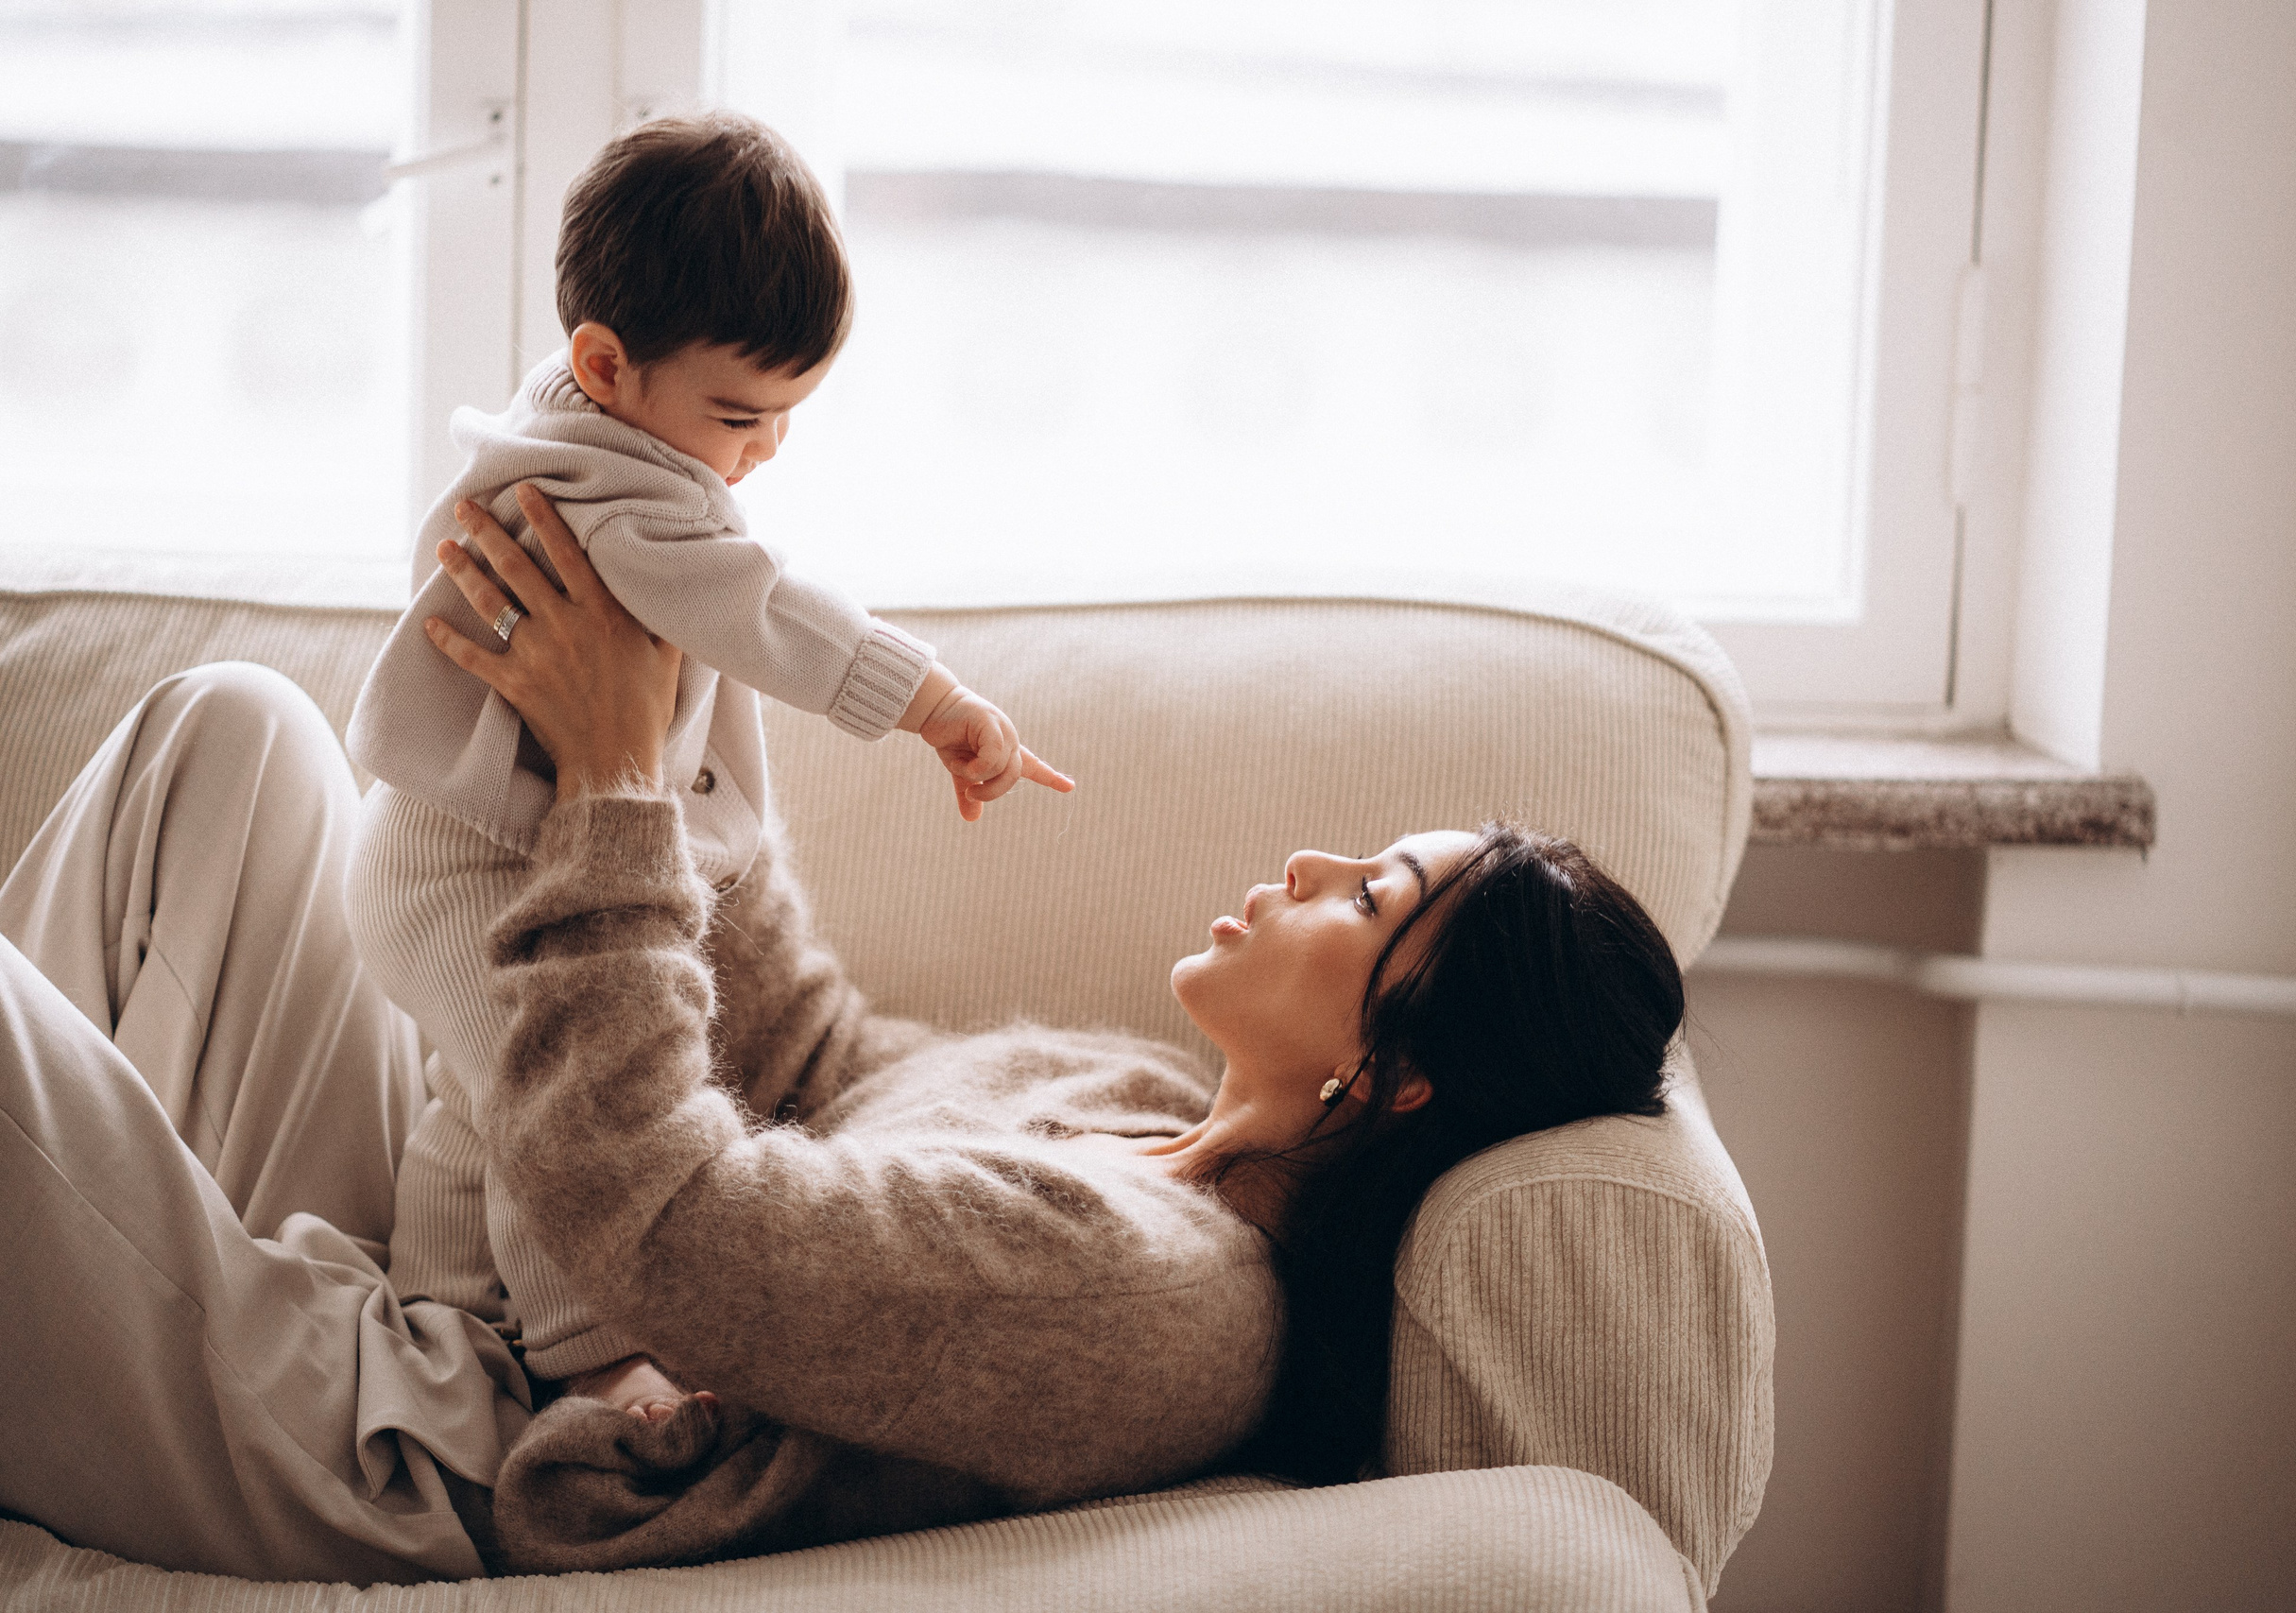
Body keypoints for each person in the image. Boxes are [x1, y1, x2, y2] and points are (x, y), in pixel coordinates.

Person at [0, 491, 1685, 1581]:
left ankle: (88, 1319)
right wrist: (697, 668)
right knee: (218, 743)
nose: (1315, 863)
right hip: (451, 1259)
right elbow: (802, 1050)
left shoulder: (1161, 1304)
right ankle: (70, 1332)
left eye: (1371, 899)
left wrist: (619, 782)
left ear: (1389, 1078)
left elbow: (652, 1221)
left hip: (439, 1443)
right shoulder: (1122, 1101)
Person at [343, 109, 1072, 1419]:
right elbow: (768, 609)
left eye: (790, 414)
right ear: (605, 364)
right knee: (539, 1095)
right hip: (460, 875)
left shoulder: (586, 437)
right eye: (741, 414)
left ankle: (441, 1311)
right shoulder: (605, 498)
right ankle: (592, 1361)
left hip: (479, 869)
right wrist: (932, 700)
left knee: (473, 1110)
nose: (765, 452)